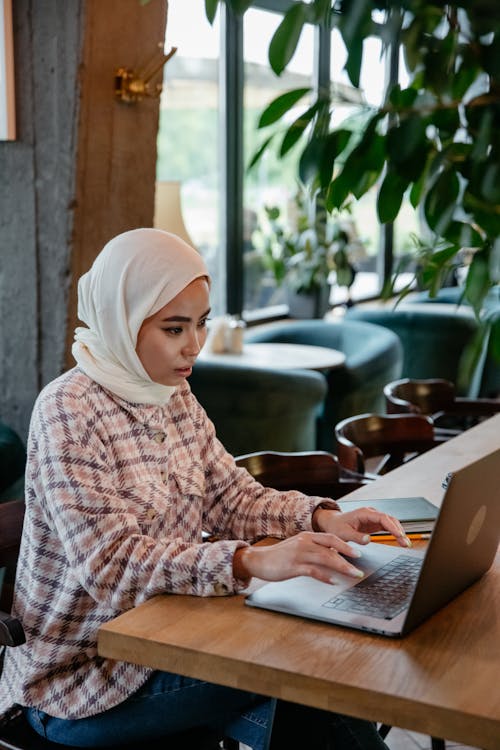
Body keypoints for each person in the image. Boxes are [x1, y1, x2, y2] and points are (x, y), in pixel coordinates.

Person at [0, 229, 410, 749]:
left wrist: (322, 518)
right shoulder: (68, 410)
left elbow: (231, 496)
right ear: (122, 321)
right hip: (81, 681)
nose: (194, 345)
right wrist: (250, 562)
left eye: (201, 324)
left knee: (306, 691)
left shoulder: (172, 394)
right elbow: (111, 566)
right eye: (174, 328)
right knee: (304, 679)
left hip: (174, 637)